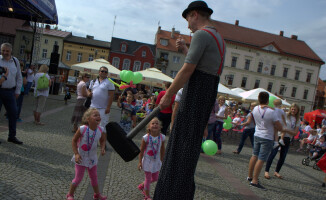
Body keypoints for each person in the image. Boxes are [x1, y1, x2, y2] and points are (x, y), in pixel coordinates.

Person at [154, 1, 225, 199]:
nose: (188, 26)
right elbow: (203, 67)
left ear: (194, 14)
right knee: (188, 149)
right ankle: (181, 193)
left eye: (187, 20)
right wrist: (186, 50)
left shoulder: (202, 34)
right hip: (206, 93)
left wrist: (168, 95)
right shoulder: (219, 37)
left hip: (195, 94)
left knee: (179, 146)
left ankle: (169, 194)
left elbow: (188, 69)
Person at [66, 108, 107, 200]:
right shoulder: (82, 129)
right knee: (78, 178)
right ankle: (70, 194)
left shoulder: (101, 130)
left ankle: (97, 194)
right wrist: (76, 154)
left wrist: (103, 147)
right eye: (95, 115)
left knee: (94, 177)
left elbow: (103, 139)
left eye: (99, 115)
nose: (98, 117)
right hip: (81, 157)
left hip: (92, 158)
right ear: (88, 119)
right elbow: (74, 140)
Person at [247, 92, 285, 190]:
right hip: (267, 137)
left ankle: (250, 176)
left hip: (257, 134)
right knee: (262, 158)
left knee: (254, 155)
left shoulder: (255, 108)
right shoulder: (272, 112)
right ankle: (255, 180)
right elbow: (280, 127)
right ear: (268, 100)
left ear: (259, 99)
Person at [264, 103, 301, 180]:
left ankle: (276, 171)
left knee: (283, 156)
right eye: (292, 109)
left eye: (295, 109)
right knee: (273, 153)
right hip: (279, 136)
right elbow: (276, 113)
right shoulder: (285, 114)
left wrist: (286, 130)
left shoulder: (297, 120)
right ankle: (266, 171)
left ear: (297, 111)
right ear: (290, 108)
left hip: (287, 138)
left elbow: (295, 133)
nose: (293, 110)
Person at [0, 43, 23, 144]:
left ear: (11, 51)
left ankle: (12, 136)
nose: (5, 53)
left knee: (13, 113)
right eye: (3, 50)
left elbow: (19, 77)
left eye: (7, 51)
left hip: (10, 91)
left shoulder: (15, 61)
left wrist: (18, 90)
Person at [137, 117, 166, 200]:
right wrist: (140, 162)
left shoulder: (162, 137)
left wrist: (162, 160)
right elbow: (141, 151)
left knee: (155, 178)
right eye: (153, 123)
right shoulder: (145, 138)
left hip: (156, 161)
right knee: (148, 178)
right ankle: (147, 196)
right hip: (147, 161)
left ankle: (142, 185)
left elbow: (162, 149)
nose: (155, 125)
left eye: (157, 123)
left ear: (160, 127)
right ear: (149, 127)